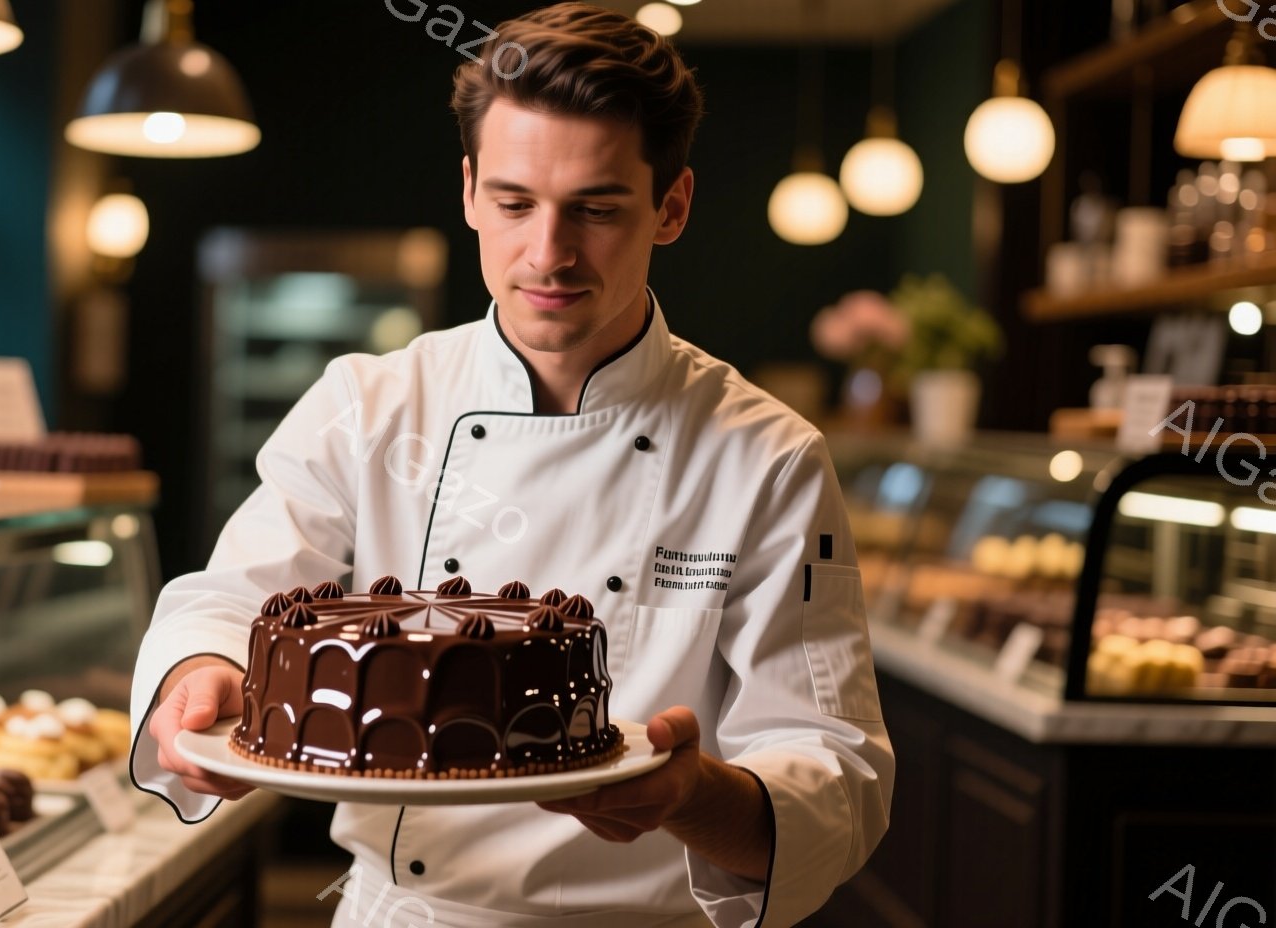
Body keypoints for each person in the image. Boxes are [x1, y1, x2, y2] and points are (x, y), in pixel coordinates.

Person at [129, 4, 893, 926]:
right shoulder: (368, 405)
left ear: (673, 207)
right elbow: (229, 599)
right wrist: (198, 674)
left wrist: (693, 798)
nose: (548, 254)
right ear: (467, 192)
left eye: (598, 209)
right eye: (514, 202)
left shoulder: (766, 457)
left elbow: (835, 774)